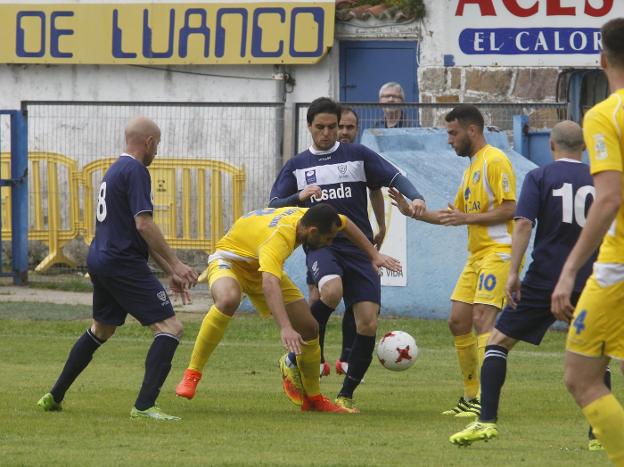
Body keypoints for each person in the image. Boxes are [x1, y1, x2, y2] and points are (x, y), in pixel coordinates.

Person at [447, 121, 610, 448]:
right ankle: (599, 435)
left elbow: (523, 223)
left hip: (545, 278)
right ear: (585, 147)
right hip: (590, 277)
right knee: (594, 355)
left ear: (551, 145)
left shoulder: (540, 176)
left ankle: (486, 421)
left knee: (497, 343)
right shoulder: (598, 178)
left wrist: (513, 273)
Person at [267, 97, 425, 412]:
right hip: (322, 245)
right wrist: (298, 197)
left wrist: (416, 196)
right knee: (331, 290)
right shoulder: (297, 165)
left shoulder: (357, 155)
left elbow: (393, 176)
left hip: (359, 248)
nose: (328, 133)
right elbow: (272, 204)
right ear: (309, 127)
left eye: (333, 127)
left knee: (367, 323)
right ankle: (295, 355)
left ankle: (346, 394)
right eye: (320, 127)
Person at [37, 117, 198, 421]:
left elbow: (134, 231)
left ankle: (54, 396)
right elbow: (144, 223)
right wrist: (177, 263)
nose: (157, 152)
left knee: (102, 328)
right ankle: (144, 406)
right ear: (149, 142)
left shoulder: (114, 170)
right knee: (170, 328)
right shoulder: (136, 170)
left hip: (101, 258)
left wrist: (169, 270)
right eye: (157, 145)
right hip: (121, 262)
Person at [174, 204, 401, 413]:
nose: (330, 243)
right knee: (228, 299)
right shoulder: (278, 238)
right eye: (328, 239)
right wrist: (285, 327)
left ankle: (314, 398)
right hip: (230, 262)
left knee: (310, 328)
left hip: (261, 266)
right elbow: (269, 283)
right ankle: (192, 374)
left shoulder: (310, 218)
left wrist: (375, 255)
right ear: (312, 232)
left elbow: (347, 223)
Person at [389, 104, 517, 418]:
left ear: (471, 130)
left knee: (483, 318)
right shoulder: (472, 168)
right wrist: (411, 212)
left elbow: (511, 208)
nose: (449, 140)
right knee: (457, 321)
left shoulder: (495, 160)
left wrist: (468, 217)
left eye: (452, 133)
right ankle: (470, 396)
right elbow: (452, 217)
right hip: (477, 256)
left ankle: (486, 401)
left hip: (499, 252)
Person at [552, 18, 624, 466]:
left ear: (602, 60)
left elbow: (610, 196)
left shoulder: (604, 114)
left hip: (617, 267)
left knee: (581, 377)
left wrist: (570, 269)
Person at [309, 106, 388, 377]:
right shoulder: (312, 161)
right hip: (321, 244)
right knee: (322, 295)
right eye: (338, 126)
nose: (341, 132)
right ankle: (313, 359)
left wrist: (381, 224)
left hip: (354, 243)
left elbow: (376, 190)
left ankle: (346, 358)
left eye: (349, 127)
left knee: (357, 303)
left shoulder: (359, 160)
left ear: (356, 130)